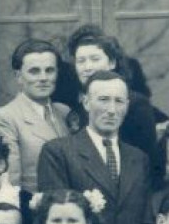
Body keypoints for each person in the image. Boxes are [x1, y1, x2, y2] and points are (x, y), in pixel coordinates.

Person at [36, 70, 150, 224]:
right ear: (86, 102)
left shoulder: (138, 158)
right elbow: (57, 220)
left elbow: (147, 223)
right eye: (103, 99)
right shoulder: (58, 152)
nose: (112, 109)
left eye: (119, 101)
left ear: (127, 106)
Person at [57, 26, 162, 160]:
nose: (87, 67)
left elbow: (148, 158)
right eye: (81, 61)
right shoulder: (76, 106)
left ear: (111, 63)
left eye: (95, 59)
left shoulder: (135, 104)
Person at [0, 39, 72, 192]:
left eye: (49, 70)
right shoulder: (5, 117)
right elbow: (12, 180)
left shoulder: (63, 112)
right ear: (18, 76)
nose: (43, 78)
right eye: (34, 71)